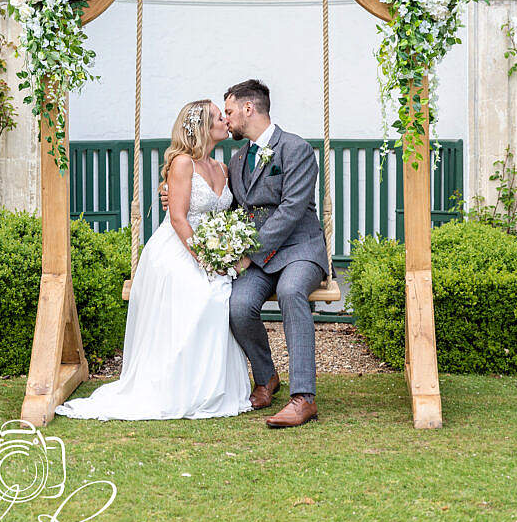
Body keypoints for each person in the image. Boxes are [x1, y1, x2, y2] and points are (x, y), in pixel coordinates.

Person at [55, 99, 252, 421]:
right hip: (180, 248)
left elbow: (228, 214)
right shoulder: (183, 164)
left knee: (221, 297)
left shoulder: (223, 168)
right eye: (219, 117)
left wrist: (226, 252)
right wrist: (206, 260)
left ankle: (215, 387)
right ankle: (179, 386)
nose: (226, 122)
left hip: (211, 248)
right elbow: (177, 219)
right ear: (204, 127)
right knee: (202, 295)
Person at [162, 79, 329, 428]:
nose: (227, 118)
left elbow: (291, 210)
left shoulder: (296, 149)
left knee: (291, 291)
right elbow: (227, 207)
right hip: (260, 258)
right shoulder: (237, 161)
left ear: (249, 109)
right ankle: (267, 378)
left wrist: (248, 255)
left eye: (230, 111)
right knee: (238, 304)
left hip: (299, 248)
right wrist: (173, 196)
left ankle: (303, 398)